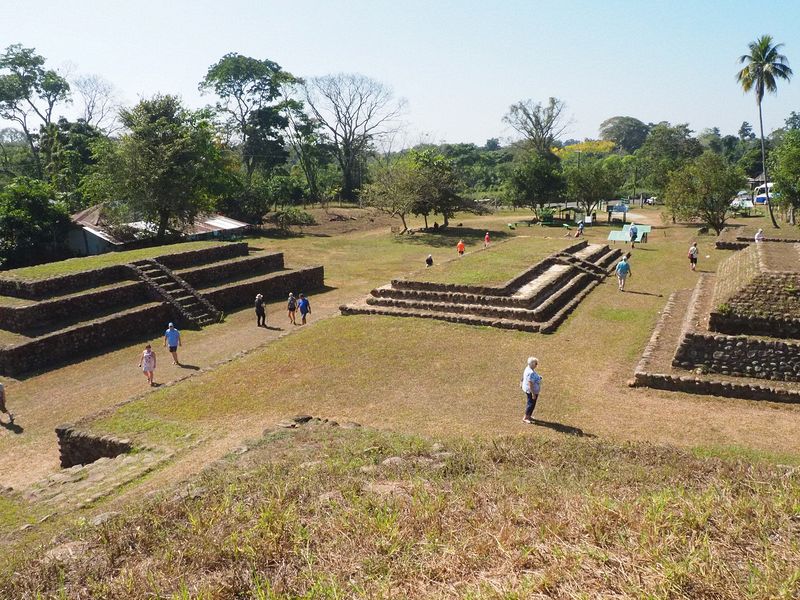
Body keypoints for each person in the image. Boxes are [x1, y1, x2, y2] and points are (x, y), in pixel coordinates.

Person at [520, 356, 542, 424]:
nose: (537, 365)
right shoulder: (531, 372)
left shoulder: (527, 368)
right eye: (536, 363)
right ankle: (525, 417)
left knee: (531, 403)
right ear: (532, 364)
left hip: (528, 389)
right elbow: (530, 383)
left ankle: (529, 415)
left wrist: (521, 383)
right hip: (531, 391)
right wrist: (533, 393)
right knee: (531, 404)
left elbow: (523, 376)